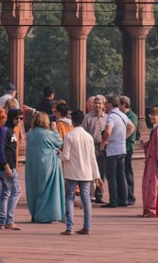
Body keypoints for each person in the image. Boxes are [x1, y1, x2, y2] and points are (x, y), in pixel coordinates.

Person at [59, 106, 101, 235]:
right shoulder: (88, 136)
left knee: (70, 197)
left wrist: (57, 153)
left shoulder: (69, 135)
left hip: (72, 172)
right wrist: (97, 175)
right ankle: (87, 226)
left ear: (72, 121)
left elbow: (65, 156)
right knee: (86, 198)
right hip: (86, 172)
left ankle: (69, 227)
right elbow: (92, 157)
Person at [25, 110, 65, 222]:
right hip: (48, 164)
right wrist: (54, 129)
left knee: (34, 188)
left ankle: (35, 212)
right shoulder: (48, 134)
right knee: (47, 189)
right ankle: (45, 215)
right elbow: (59, 142)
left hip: (33, 165)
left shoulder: (30, 134)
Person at [102, 93, 132, 208]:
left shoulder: (111, 116)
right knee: (121, 174)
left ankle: (113, 200)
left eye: (106, 103)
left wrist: (104, 141)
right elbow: (132, 127)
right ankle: (123, 199)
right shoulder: (123, 115)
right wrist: (123, 137)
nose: (105, 106)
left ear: (110, 104)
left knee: (112, 176)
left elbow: (108, 131)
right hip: (122, 148)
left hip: (112, 149)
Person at [0, 106, 22, 230]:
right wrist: (6, 166)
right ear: (12, 118)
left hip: (8, 165)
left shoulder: (11, 130)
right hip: (6, 165)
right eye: (18, 118)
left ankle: (3, 220)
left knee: (5, 192)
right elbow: (0, 149)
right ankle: (9, 220)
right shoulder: (5, 130)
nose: (20, 121)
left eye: (21, 118)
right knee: (16, 191)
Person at [83, 95, 107, 202]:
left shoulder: (107, 118)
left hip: (102, 147)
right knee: (89, 171)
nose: (97, 105)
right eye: (96, 103)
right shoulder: (87, 117)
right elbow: (82, 131)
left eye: (99, 103)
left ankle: (99, 195)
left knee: (101, 172)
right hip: (90, 147)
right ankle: (89, 194)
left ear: (103, 105)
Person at [121, 95, 138, 205]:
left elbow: (132, 128)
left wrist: (121, 138)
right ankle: (125, 195)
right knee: (123, 172)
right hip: (124, 146)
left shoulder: (131, 116)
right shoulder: (124, 115)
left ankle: (130, 196)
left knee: (127, 172)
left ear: (123, 105)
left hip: (127, 147)